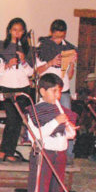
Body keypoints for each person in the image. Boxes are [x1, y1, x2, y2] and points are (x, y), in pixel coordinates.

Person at [26, 73, 77, 192]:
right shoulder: (35, 110)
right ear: (42, 91)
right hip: (44, 153)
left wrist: (69, 126)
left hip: (59, 153)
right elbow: (36, 135)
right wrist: (56, 121)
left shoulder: (59, 109)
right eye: (54, 91)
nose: (58, 96)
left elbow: (70, 134)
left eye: (60, 92)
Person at [36, 19, 77, 164]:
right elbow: (37, 71)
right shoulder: (43, 46)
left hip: (63, 89)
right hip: (47, 91)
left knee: (67, 120)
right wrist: (50, 63)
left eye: (62, 37)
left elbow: (70, 75)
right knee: (47, 119)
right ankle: (44, 150)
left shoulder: (69, 48)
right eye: (56, 37)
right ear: (51, 33)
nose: (59, 40)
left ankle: (68, 154)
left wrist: (71, 63)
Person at [0, 18, 34, 163]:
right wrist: (7, 65)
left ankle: (9, 152)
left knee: (18, 121)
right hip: (7, 86)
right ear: (10, 30)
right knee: (11, 119)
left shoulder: (27, 48)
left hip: (22, 87)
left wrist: (23, 61)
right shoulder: (1, 46)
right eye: (14, 30)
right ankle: (3, 150)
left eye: (20, 30)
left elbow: (30, 72)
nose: (17, 33)